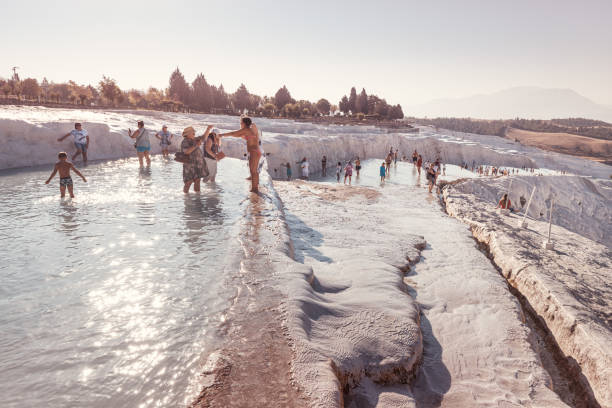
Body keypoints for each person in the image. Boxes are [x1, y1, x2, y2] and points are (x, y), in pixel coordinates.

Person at [219, 117, 261, 193]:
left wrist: (221, 135)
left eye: (241, 123)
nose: (240, 124)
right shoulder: (250, 130)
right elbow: (237, 135)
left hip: (254, 151)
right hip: (257, 151)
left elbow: (233, 133)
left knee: (253, 171)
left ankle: (255, 188)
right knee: (254, 170)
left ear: (244, 123)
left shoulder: (246, 129)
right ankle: (256, 185)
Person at [181, 126, 208, 193]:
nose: (194, 133)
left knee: (197, 180)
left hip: (197, 164)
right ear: (188, 134)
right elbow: (186, 151)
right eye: (192, 132)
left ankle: (198, 197)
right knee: (188, 182)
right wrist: (196, 145)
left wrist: (208, 129)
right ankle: (186, 197)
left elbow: (204, 137)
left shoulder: (195, 139)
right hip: (190, 165)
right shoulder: (185, 142)